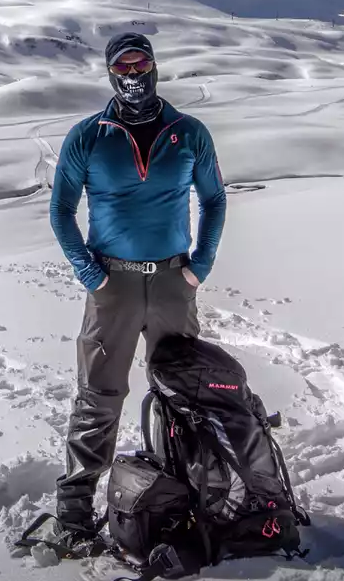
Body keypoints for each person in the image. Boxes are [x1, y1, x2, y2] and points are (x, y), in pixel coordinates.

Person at [46, 31, 227, 546]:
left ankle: (196, 497)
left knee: (185, 392)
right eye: (122, 68)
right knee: (98, 396)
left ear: (154, 67)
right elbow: (61, 210)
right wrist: (90, 275)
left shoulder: (188, 133)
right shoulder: (88, 136)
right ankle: (75, 512)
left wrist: (199, 266)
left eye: (140, 65)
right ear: (110, 74)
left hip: (173, 282)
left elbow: (215, 199)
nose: (132, 76)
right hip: (113, 286)